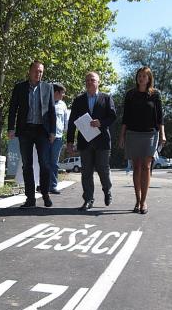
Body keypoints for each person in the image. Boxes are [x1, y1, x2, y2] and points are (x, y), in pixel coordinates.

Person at [7, 60, 56, 208]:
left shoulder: (48, 88)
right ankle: (30, 198)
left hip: (42, 131)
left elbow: (52, 111)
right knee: (27, 165)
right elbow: (12, 109)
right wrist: (11, 128)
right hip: (25, 130)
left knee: (45, 164)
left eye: (41, 71)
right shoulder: (20, 87)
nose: (38, 74)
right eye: (36, 70)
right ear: (29, 71)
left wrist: (53, 131)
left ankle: (45, 193)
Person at [118, 66, 166, 214]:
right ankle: (137, 200)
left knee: (146, 166)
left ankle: (144, 202)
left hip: (150, 134)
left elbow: (160, 117)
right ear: (137, 77)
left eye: (145, 76)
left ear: (149, 78)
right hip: (132, 134)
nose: (142, 78)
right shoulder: (130, 95)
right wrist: (122, 136)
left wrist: (162, 134)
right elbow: (125, 117)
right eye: (140, 75)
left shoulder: (155, 94)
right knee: (136, 167)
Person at [67, 72, 117, 211]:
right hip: (85, 142)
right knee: (86, 172)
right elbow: (72, 122)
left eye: (92, 80)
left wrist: (101, 122)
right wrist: (70, 141)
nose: (89, 82)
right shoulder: (78, 100)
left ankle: (107, 190)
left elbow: (113, 117)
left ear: (98, 82)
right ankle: (88, 199)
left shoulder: (106, 98)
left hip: (102, 142)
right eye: (87, 80)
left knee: (103, 170)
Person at [48, 83, 69, 194]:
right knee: (44, 162)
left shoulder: (63, 105)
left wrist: (64, 133)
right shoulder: (46, 101)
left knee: (54, 162)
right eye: (62, 93)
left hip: (58, 138)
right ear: (56, 93)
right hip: (45, 137)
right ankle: (42, 184)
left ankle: (53, 186)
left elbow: (65, 120)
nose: (63, 95)